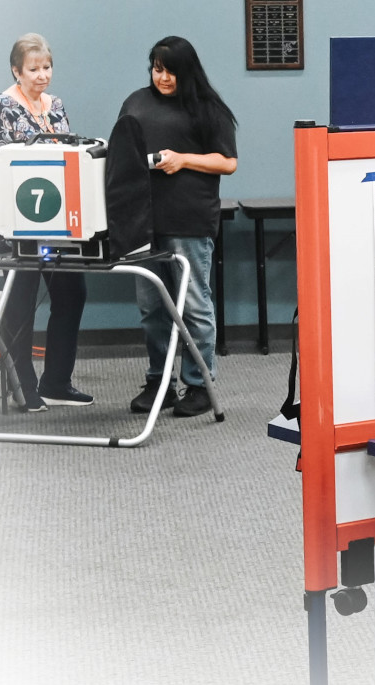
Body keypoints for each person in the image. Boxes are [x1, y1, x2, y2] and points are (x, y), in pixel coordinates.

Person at [118, 36, 237, 417]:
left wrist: (183, 159)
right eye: (157, 69)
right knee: (152, 307)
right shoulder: (135, 103)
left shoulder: (207, 108)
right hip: (142, 222)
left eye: (170, 71)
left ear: (187, 71)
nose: (163, 78)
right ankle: (160, 384)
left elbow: (228, 162)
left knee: (193, 305)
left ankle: (199, 385)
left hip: (188, 220)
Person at [0, 33, 90, 412]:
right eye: (34, 69)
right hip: (19, 224)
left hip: (59, 222)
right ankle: (23, 387)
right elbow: (1, 167)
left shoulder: (55, 105)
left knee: (71, 294)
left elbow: (69, 155)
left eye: (47, 67)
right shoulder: (2, 107)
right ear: (16, 70)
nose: (42, 75)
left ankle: (57, 382)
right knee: (20, 304)